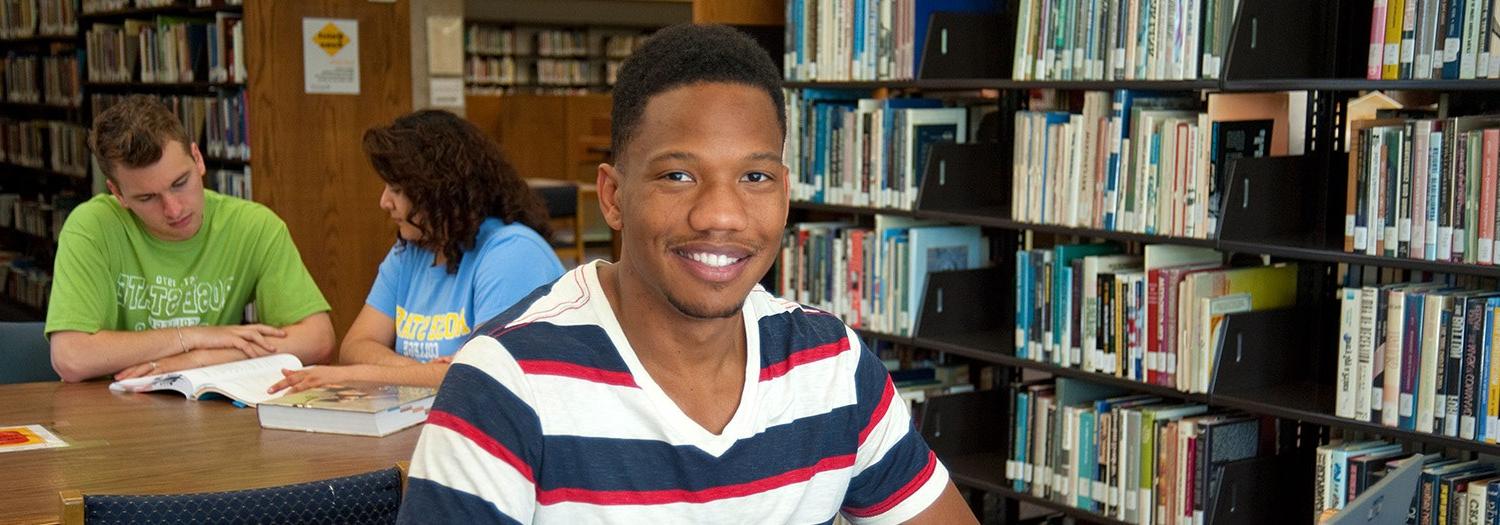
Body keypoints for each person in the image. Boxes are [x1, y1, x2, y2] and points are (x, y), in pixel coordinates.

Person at [397, 24, 977, 524]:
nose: (721, 216)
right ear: (614, 196)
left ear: (785, 194)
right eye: (677, 176)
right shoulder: (505, 383)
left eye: (755, 178)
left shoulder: (830, 365)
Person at [268, 110, 565, 394]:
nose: (384, 202)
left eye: (397, 190)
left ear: (439, 190)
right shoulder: (411, 249)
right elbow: (356, 345)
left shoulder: (512, 253)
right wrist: (422, 373)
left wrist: (356, 374)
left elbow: (482, 376)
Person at [47, 95, 335, 382]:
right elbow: (71, 358)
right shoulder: (91, 227)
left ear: (197, 159)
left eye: (180, 183)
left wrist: (203, 358)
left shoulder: (254, 226)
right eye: (147, 198)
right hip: (111, 407)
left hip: (205, 402)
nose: (174, 209)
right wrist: (194, 337)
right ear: (118, 194)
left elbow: (318, 338)